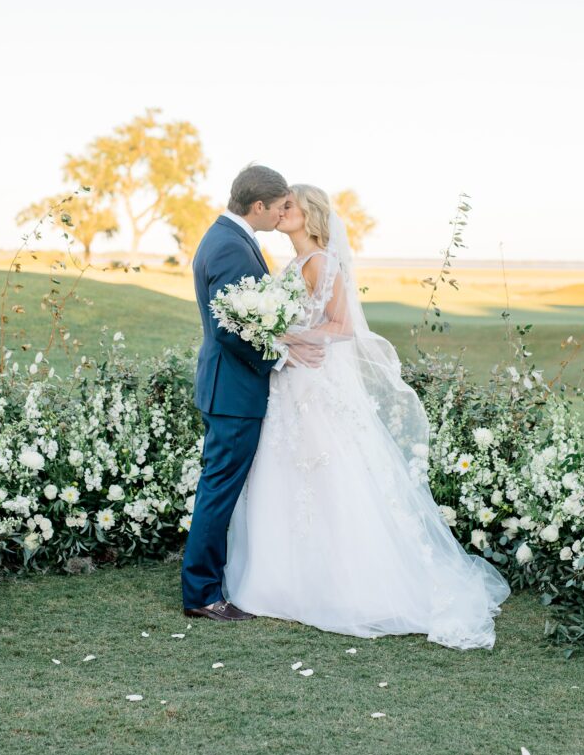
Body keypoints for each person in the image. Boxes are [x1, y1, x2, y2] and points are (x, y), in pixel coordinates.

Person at [222, 184, 512, 649]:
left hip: (315, 385)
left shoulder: (321, 262)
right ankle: (279, 579)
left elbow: (343, 327)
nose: (281, 211)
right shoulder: (293, 265)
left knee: (327, 474)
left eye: (289, 205)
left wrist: (289, 336)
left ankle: (341, 584)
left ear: (310, 214)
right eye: (279, 205)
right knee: (285, 474)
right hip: (290, 383)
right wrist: (278, 336)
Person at [181, 165, 325, 621]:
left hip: (227, 387)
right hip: (234, 390)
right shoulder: (231, 247)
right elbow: (230, 330)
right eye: (280, 205)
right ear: (258, 206)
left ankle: (210, 581)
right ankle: (202, 593)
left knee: (219, 487)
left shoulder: (225, 237)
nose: (284, 212)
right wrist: (278, 359)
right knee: (219, 490)